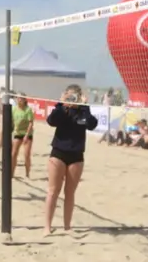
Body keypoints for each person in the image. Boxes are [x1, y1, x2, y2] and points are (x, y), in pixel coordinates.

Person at [44, 85, 98, 236]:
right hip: (59, 152)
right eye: (70, 96)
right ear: (66, 95)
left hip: (76, 154)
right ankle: (47, 227)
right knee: (53, 191)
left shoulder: (82, 110)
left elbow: (92, 124)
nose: (73, 99)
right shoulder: (62, 108)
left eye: (75, 96)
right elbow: (51, 121)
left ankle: (67, 227)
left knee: (70, 192)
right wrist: (62, 104)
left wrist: (84, 106)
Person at [10, 93, 34, 178]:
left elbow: (31, 123)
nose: (19, 100)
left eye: (21, 98)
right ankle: (11, 173)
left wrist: (27, 135)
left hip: (27, 134)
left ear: (24, 100)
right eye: (17, 98)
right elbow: (12, 121)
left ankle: (27, 174)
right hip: (17, 133)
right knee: (13, 154)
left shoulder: (28, 109)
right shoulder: (14, 109)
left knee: (26, 155)